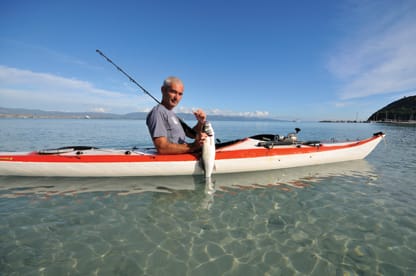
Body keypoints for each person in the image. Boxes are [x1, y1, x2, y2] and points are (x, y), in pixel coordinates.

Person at [146, 76, 207, 154]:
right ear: (163, 90)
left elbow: (192, 135)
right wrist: (193, 146)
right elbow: (162, 148)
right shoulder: (157, 113)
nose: (176, 97)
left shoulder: (172, 114)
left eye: (180, 94)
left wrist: (200, 122)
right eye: (173, 92)